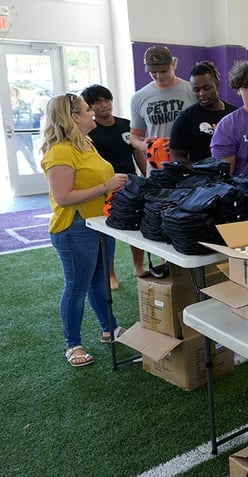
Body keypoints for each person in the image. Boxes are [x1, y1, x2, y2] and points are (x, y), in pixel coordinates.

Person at [40, 93, 130, 367]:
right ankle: (73, 345)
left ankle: (109, 329)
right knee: (77, 286)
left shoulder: (86, 143)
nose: (93, 112)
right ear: (73, 117)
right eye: (87, 109)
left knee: (100, 280)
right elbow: (64, 196)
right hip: (75, 227)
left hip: (99, 222)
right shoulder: (60, 151)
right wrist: (107, 186)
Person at [80, 84, 148, 286]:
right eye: (97, 102)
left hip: (131, 183)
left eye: (106, 100)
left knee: (136, 225)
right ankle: (110, 274)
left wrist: (147, 177)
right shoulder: (90, 131)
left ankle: (139, 266)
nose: (104, 105)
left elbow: (137, 153)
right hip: (106, 186)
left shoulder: (125, 125)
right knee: (106, 231)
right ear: (90, 108)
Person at [129, 45, 196, 168]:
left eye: (164, 71)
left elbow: (204, 129)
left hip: (188, 166)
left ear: (174, 64)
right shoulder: (138, 97)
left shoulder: (192, 91)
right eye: (153, 72)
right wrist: (144, 145)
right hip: (157, 169)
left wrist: (179, 142)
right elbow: (134, 135)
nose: (159, 76)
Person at [169, 61, 237, 164]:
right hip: (200, 178)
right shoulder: (185, 118)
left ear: (217, 85)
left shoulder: (234, 115)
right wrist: (200, 172)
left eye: (207, 88)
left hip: (234, 177)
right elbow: (176, 156)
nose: (202, 94)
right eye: (196, 90)